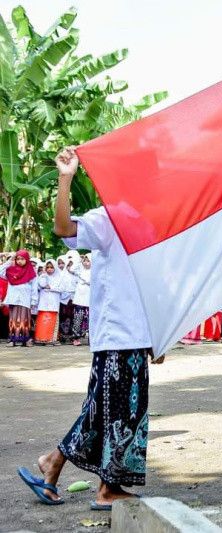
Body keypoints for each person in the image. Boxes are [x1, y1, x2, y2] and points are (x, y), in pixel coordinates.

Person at [18, 147, 157, 510]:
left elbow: (150, 284)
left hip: (135, 334)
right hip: (116, 335)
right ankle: (107, 489)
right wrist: (66, 178)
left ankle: (53, 465)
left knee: (101, 411)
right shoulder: (110, 217)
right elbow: (63, 228)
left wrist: (159, 333)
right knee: (119, 414)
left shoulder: (146, 223)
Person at [0, 250, 38, 347]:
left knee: (24, 320)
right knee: (13, 320)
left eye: (22, 259)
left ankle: (25, 339)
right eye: (18, 259)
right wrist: (10, 260)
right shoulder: (10, 271)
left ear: (27, 259)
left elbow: (34, 288)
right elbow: (0, 271)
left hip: (25, 300)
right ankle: (13, 339)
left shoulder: (31, 272)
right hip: (13, 299)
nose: (19, 261)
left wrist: (34, 300)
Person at [34, 259, 63, 346]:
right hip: (43, 302)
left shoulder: (59, 277)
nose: (49, 269)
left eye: (51, 267)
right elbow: (41, 285)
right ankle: (41, 339)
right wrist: (43, 275)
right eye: (47, 267)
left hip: (54, 302)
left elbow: (62, 289)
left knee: (52, 321)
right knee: (43, 321)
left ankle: (51, 339)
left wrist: (51, 287)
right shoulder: (42, 276)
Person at [70, 254, 91, 346]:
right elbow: (72, 269)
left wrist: (86, 281)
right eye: (84, 261)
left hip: (89, 299)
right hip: (79, 299)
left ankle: (92, 339)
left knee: (90, 319)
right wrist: (79, 260)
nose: (86, 263)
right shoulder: (80, 270)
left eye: (88, 261)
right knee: (78, 318)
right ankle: (76, 338)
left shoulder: (95, 271)